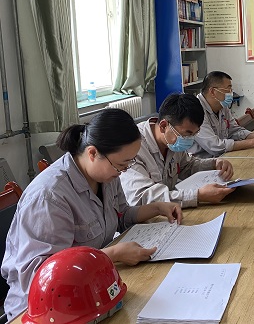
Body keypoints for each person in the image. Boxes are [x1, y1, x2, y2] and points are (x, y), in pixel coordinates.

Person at [1, 109, 183, 320]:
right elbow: (42, 276)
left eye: (129, 163)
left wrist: (157, 208)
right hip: (44, 310)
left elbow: (121, 216)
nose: (124, 171)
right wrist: (112, 255)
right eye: (121, 164)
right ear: (93, 153)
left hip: (91, 291)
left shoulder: (106, 176)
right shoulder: (49, 197)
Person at [120, 93, 235, 207]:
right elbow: (142, 198)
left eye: (194, 134)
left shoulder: (172, 140)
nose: (190, 139)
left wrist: (214, 163)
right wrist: (197, 196)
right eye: (187, 134)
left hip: (169, 211)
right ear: (163, 126)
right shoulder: (133, 147)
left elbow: (186, 166)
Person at [191, 71, 254, 158]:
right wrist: (253, 142)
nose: (231, 93)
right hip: (203, 163)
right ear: (213, 91)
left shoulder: (222, 105)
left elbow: (234, 130)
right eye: (228, 89)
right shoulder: (195, 110)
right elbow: (215, 146)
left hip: (222, 157)